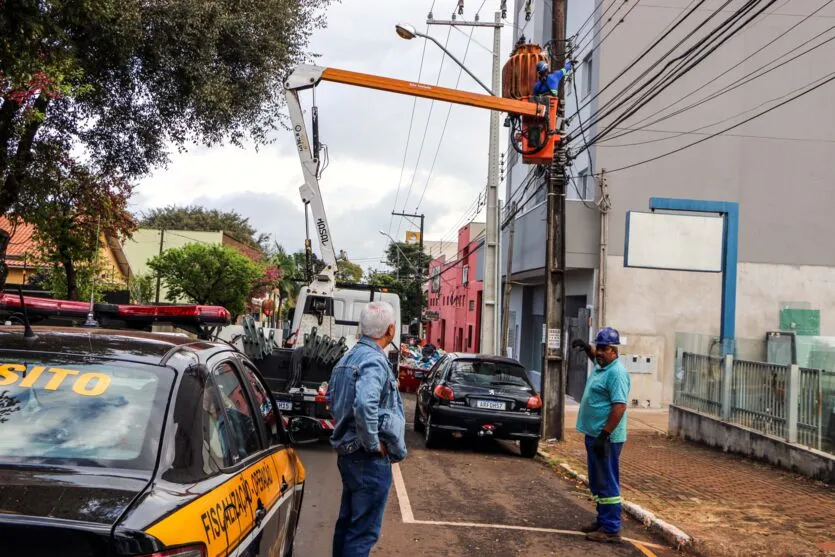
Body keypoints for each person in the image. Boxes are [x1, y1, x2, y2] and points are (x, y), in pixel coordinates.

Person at [327, 301, 407, 557]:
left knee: (348, 525)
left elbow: (332, 400)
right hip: (367, 458)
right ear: (390, 330)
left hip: (349, 456)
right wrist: (373, 443)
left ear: (362, 327)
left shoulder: (346, 358)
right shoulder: (374, 360)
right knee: (363, 533)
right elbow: (364, 403)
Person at [571, 326, 631, 544]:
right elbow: (595, 358)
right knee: (597, 482)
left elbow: (619, 407)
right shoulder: (603, 366)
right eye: (599, 348)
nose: (599, 353)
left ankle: (611, 527)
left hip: (606, 438)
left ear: (614, 350)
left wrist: (604, 435)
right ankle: (602, 519)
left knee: (607, 482)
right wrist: (587, 348)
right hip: (594, 434)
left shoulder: (616, 373)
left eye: (604, 349)